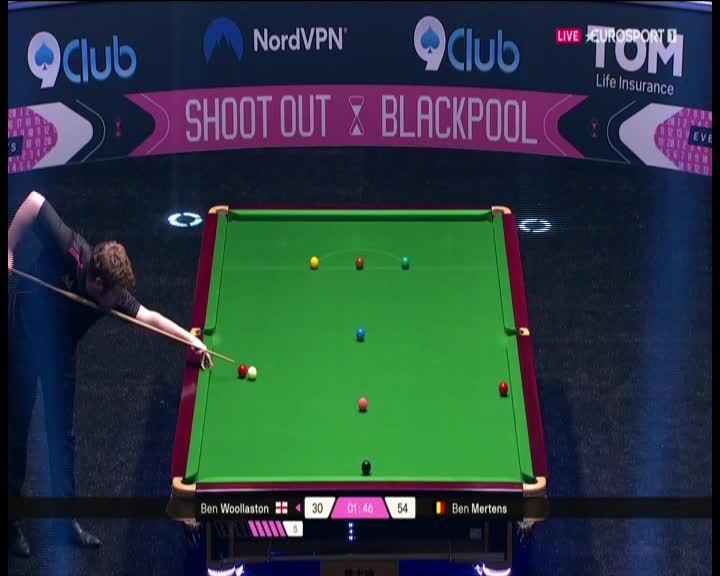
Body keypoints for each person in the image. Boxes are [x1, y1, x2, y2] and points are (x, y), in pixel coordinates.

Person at [7, 191, 212, 556]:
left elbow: (149, 317)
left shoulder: (111, 293)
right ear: (97, 283)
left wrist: (191, 340)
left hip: (59, 351)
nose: (118, 302)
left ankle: (65, 521)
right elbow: (34, 202)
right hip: (24, 336)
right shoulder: (71, 248)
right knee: (16, 431)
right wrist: (9, 247)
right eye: (114, 295)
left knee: (62, 437)